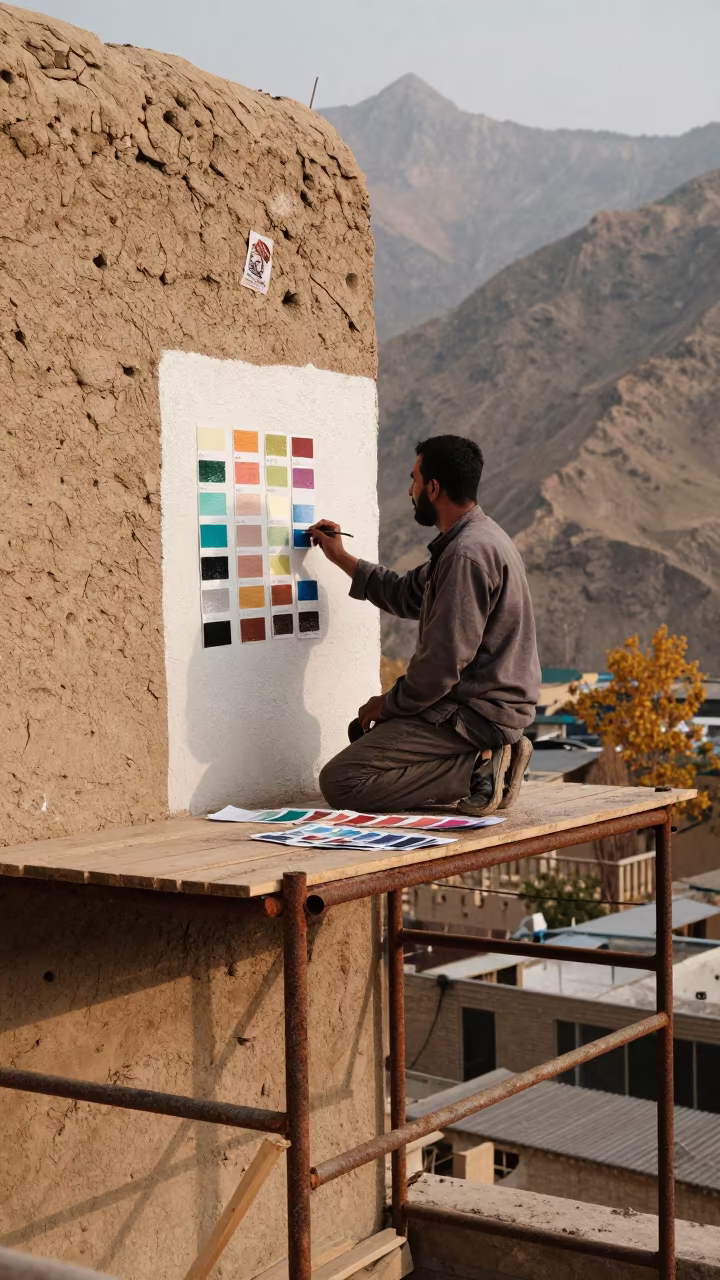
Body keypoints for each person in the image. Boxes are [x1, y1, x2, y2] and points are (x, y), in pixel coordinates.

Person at [310, 434, 541, 815]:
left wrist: (389, 705)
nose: (409, 490)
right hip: (474, 706)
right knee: (364, 745)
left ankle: (480, 770)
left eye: (414, 480)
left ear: (433, 488)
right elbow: (403, 593)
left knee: (343, 781)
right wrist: (339, 556)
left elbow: (442, 665)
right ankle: (482, 763)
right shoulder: (469, 542)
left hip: (477, 713)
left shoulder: (467, 554)